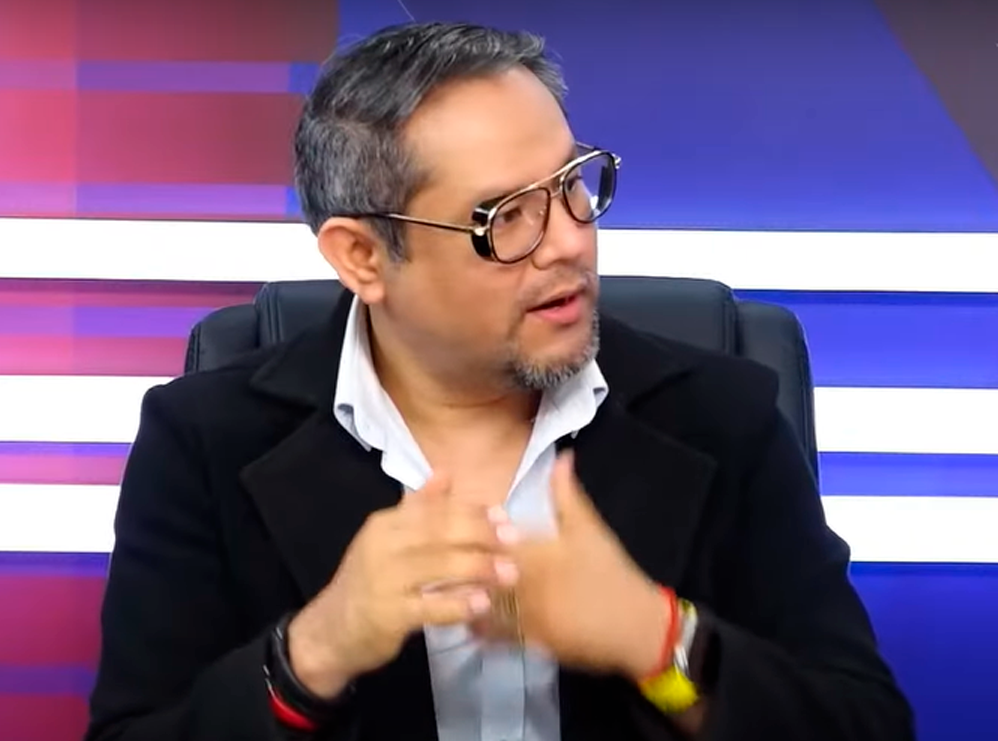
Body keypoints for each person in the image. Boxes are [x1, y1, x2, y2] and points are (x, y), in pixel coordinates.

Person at [85, 21, 914, 741]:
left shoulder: (720, 415)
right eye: (504, 217)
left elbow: (864, 723)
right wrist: (314, 653)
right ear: (362, 256)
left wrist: (660, 639)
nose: (569, 242)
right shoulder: (206, 441)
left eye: (572, 183)